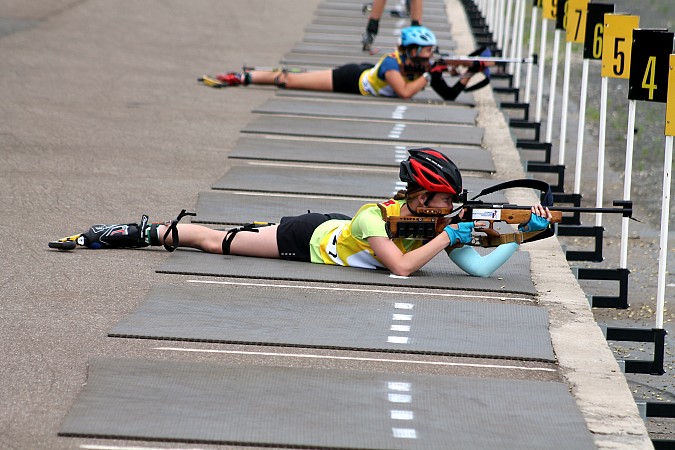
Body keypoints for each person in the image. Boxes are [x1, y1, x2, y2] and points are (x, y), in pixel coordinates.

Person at [49, 149, 552, 278]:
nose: (451, 209)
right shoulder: (372, 218)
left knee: (219, 241)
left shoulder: (439, 225)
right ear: (421, 196)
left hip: (329, 235)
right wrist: (453, 236)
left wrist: (521, 235)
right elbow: (400, 268)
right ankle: (132, 232)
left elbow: (483, 267)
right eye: (445, 200)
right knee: (216, 242)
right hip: (307, 237)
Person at [211, 26, 492, 101]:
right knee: (291, 80)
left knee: (294, 78)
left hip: (360, 79)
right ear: (410, 50)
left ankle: (249, 75)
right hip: (350, 79)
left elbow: (450, 94)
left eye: (431, 52)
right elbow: (405, 92)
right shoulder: (391, 64)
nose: (429, 57)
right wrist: (432, 74)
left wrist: (468, 73)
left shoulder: (423, 67)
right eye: (425, 52)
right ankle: (244, 77)